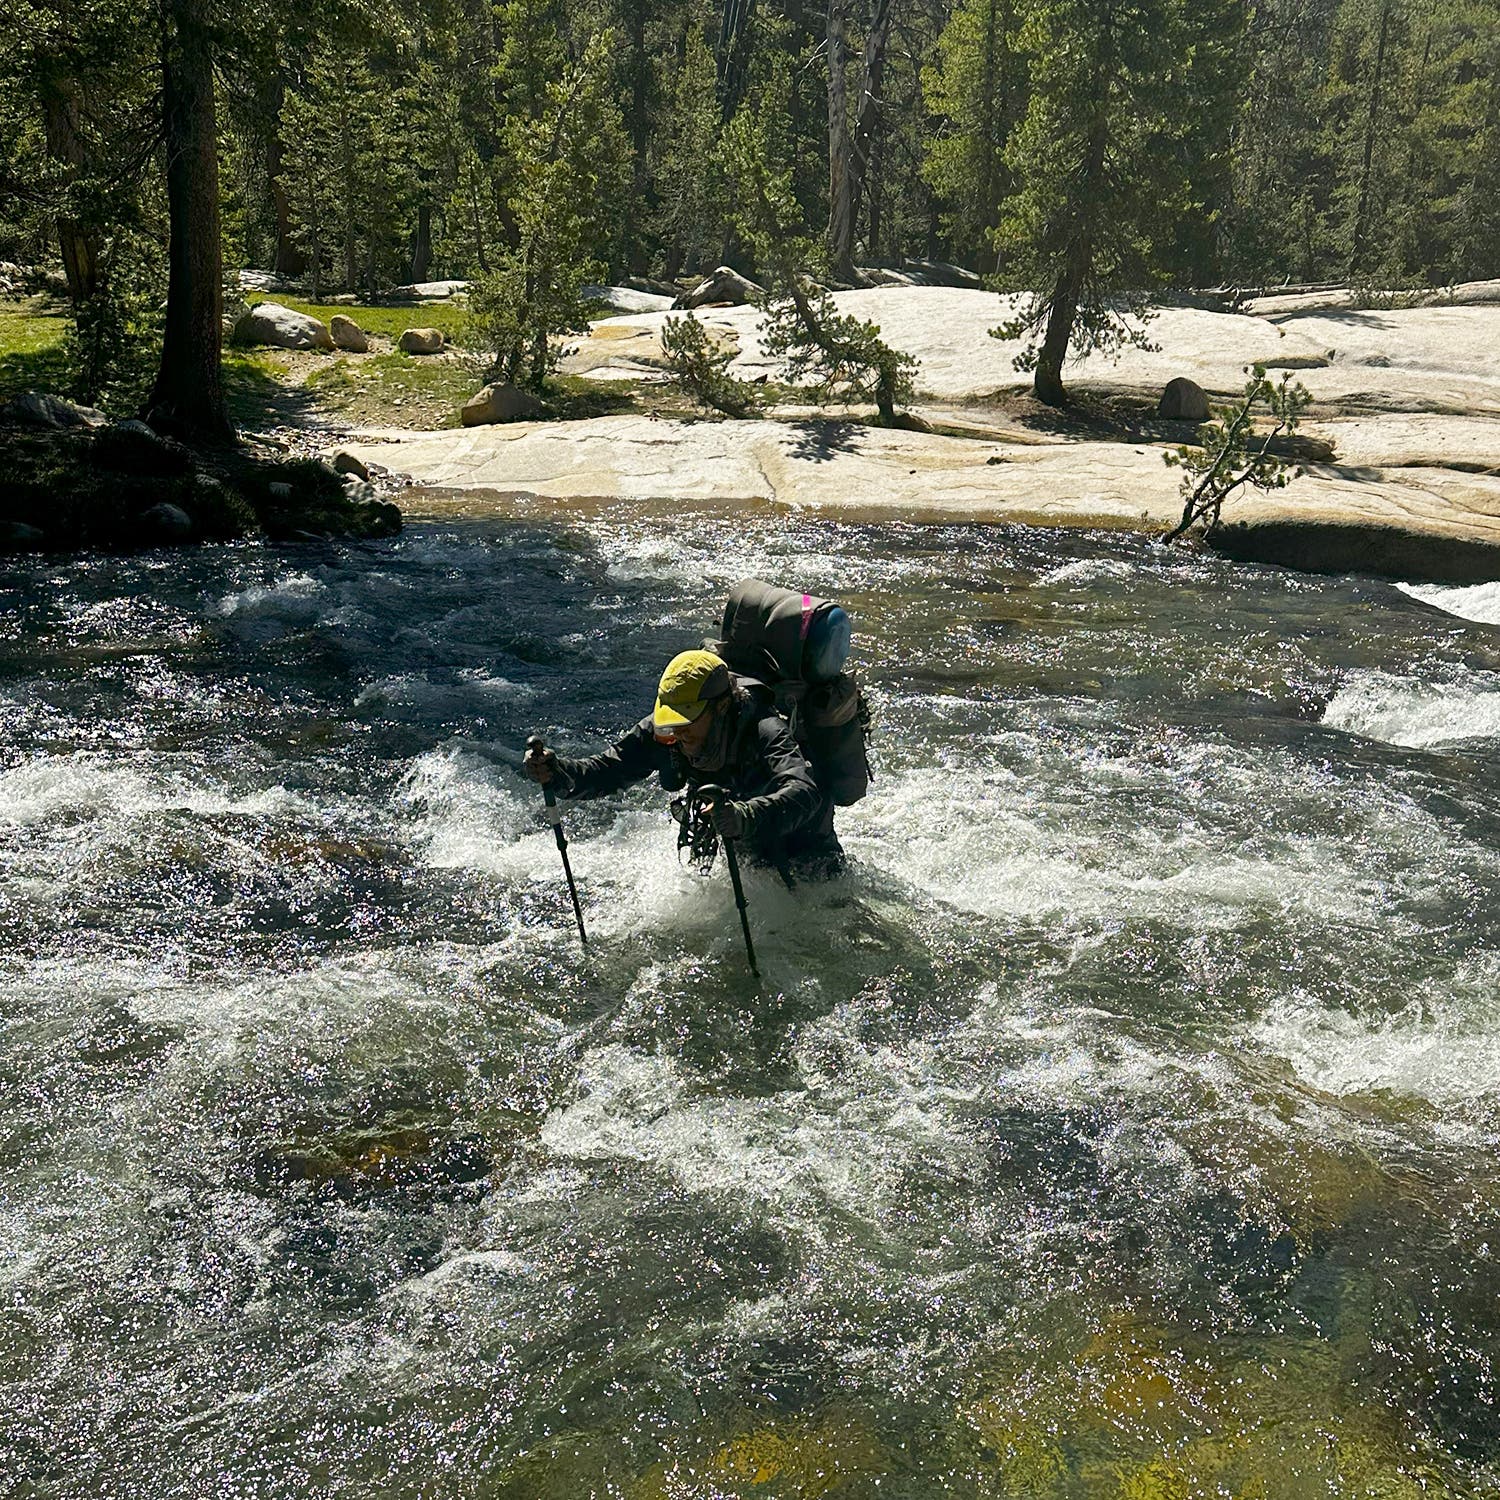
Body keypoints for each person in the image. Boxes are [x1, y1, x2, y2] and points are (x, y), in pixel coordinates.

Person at [524, 649, 843, 880]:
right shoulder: (666, 732)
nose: (677, 732)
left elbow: (805, 791)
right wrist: (559, 773)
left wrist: (745, 816)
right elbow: (611, 769)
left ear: (720, 707)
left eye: (688, 720)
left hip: (805, 851)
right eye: (671, 720)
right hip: (737, 845)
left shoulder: (765, 729)